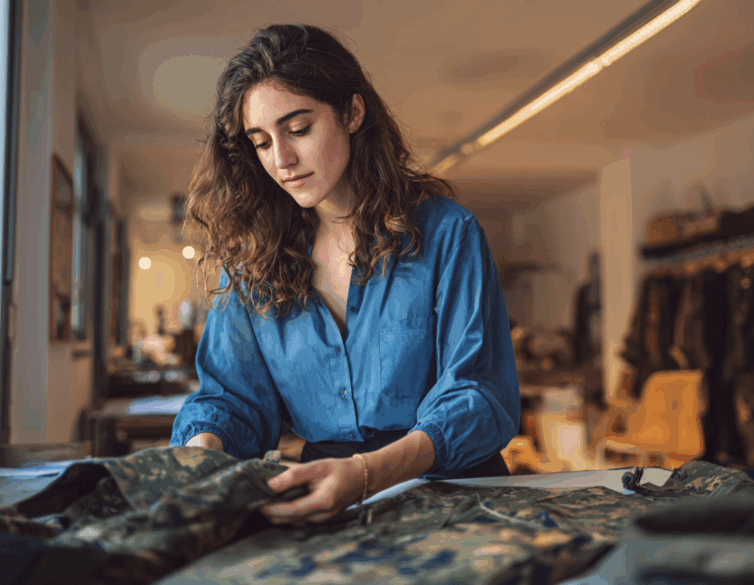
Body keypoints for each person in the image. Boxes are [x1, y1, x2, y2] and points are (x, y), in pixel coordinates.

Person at [170, 24, 520, 526]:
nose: (281, 160)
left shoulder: (447, 232)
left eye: (298, 129)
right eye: (261, 142)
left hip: (459, 493)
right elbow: (232, 397)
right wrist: (204, 448)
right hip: (324, 496)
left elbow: (481, 395)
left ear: (353, 113)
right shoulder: (250, 258)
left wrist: (367, 474)